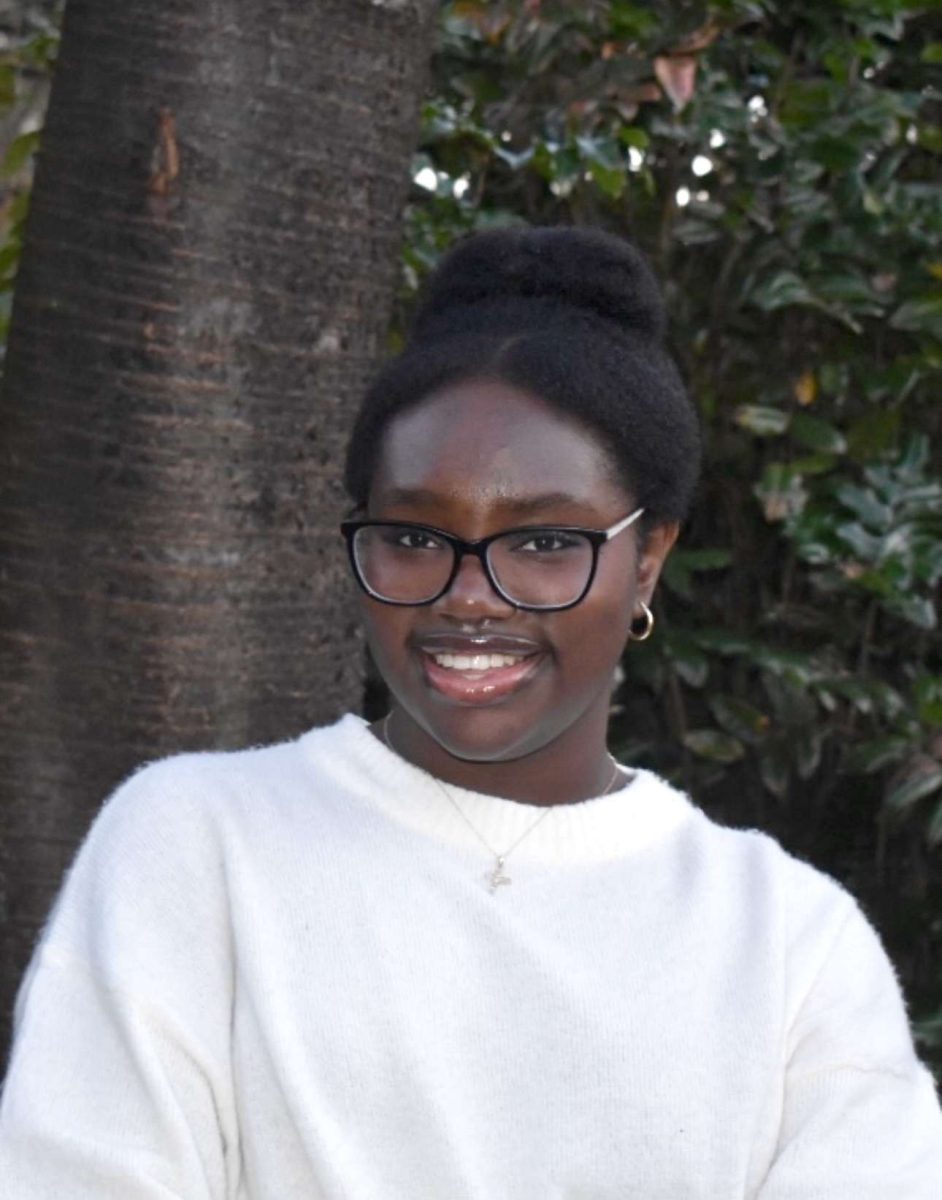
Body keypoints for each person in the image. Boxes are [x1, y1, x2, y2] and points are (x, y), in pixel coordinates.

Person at [1, 226, 940, 1199]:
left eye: (541, 541)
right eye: (413, 535)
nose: (469, 598)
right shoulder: (196, 847)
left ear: (649, 556)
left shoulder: (790, 948)